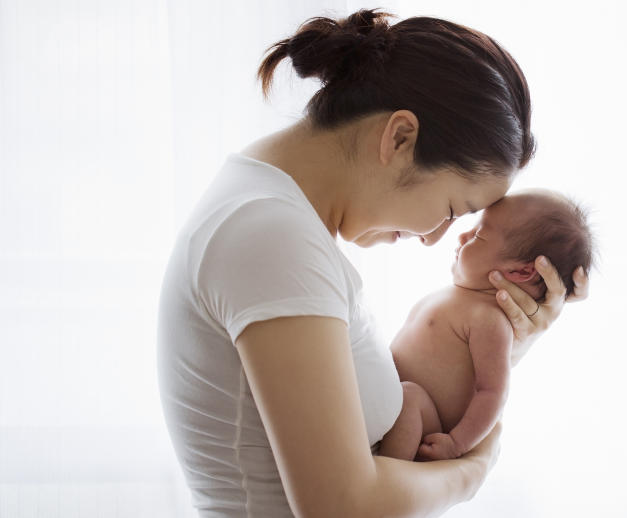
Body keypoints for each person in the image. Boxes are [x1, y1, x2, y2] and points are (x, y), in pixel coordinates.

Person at [156, 9, 588, 518]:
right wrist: (471, 472)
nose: (433, 239)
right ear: (400, 138)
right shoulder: (272, 238)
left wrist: (511, 337)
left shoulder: (275, 218)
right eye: (453, 209)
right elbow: (341, 507)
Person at [379, 190, 595, 461]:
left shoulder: (489, 320)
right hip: (389, 400)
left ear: (521, 271)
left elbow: (493, 392)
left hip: (423, 420)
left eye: (478, 235)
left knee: (408, 398)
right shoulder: (456, 296)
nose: (461, 237)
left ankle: (388, 470)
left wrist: (457, 444)